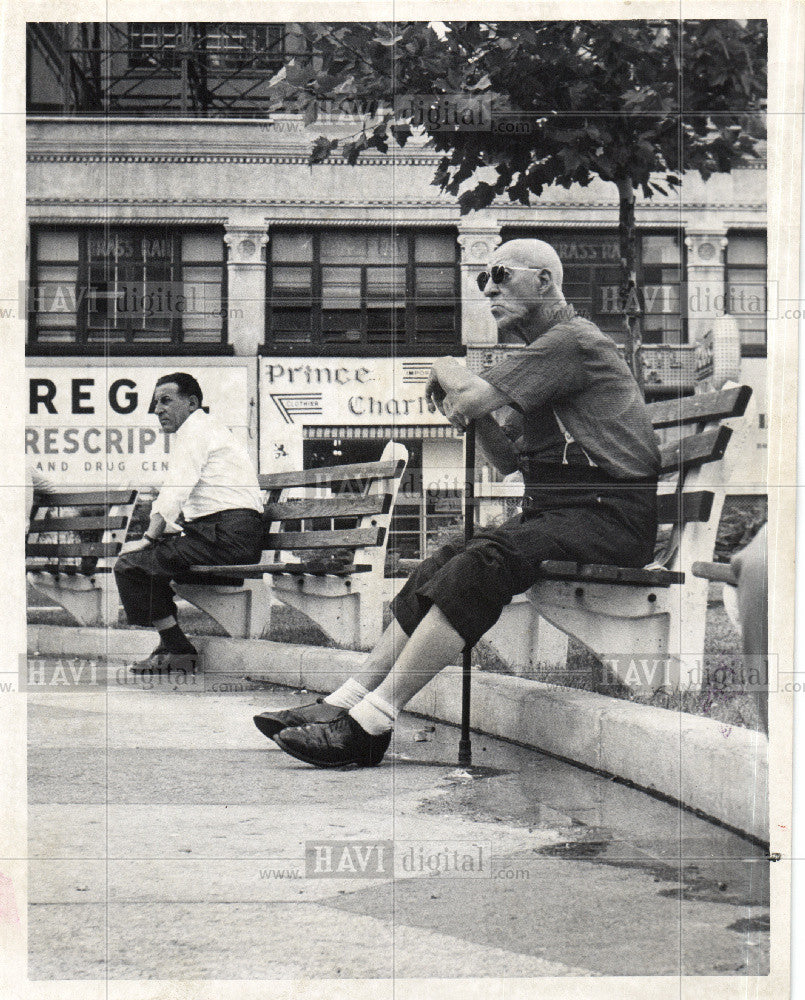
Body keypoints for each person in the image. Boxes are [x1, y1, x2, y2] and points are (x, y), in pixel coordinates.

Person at [258, 238, 662, 767]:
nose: (488, 288)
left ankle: (372, 722)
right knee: (445, 560)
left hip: (611, 515)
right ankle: (344, 701)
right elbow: (506, 460)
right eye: (481, 281)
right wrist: (473, 415)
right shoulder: (543, 358)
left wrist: (449, 370)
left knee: (481, 562)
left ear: (544, 282)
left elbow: (469, 395)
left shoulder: (571, 342)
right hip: (566, 512)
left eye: (501, 274)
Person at [115, 373, 263, 674]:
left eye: (166, 400)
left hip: (227, 537)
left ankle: (177, 647)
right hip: (224, 534)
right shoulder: (206, 430)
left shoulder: (196, 430)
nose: (158, 409)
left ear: (192, 403)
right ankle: (171, 645)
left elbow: (175, 491)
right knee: (144, 566)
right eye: (156, 403)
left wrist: (150, 536)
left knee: (131, 564)